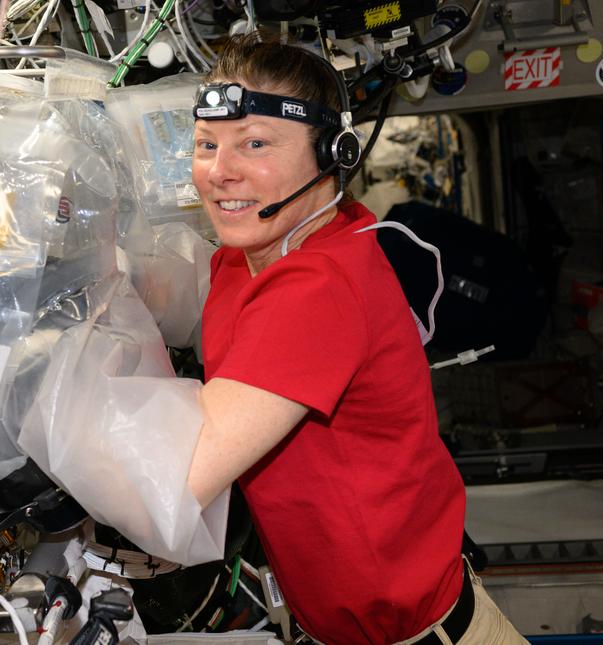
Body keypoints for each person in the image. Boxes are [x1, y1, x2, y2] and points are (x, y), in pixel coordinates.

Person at [185, 35, 527, 644]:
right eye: (207, 144)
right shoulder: (265, 252)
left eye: (255, 144)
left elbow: (185, 472)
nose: (219, 171)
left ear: (331, 154)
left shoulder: (318, 285)